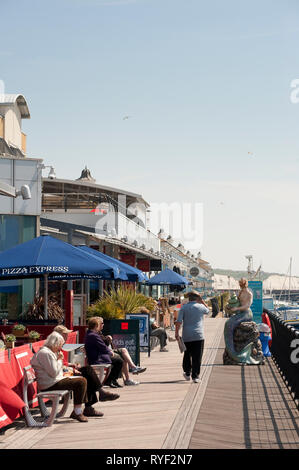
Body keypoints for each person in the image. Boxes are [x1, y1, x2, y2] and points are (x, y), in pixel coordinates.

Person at [31, 331, 90, 422]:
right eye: (60, 345)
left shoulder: (48, 352)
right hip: (49, 384)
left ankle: (78, 410)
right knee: (81, 382)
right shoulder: (46, 353)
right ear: (55, 343)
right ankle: (77, 412)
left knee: (82, 380)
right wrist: (59, 360)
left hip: (52, 381)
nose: (60, 348)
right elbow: (54, 372)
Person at [53, 325, 120, 403]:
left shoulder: (58, 346)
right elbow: (56, 366)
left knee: (88, 371)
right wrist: (72, 369)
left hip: (65, 371)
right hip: (61, 375)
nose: (67, 336)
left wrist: (72, 365)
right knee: (87, 374)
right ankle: (97, 397)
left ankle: (97, 397)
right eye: (65, 334)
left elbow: (61, 363)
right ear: (59, 335)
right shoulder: (54, 348)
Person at [94, 317, 146, 386]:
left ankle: (131, 371)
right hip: (104, 353)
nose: (103, 325)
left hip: (107, 351)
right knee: (122, 358)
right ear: (98, 324)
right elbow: (103, 344)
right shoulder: (95, 333)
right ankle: (129, 375)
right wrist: (109, 339)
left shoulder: (99, 332)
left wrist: (107, 338)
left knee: (124, 351)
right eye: (102, 323)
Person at [175, 290, 210, 383]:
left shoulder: (184, 307)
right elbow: (208, 311)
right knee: (197, 356)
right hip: (198, 335)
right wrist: (202, 301)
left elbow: (178, 321)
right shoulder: (201, 307)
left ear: (189, 298)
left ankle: (187, 372)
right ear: (197, 298)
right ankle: (195, 376)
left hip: (187, 335)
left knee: (187, 354)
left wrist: (176, 333)